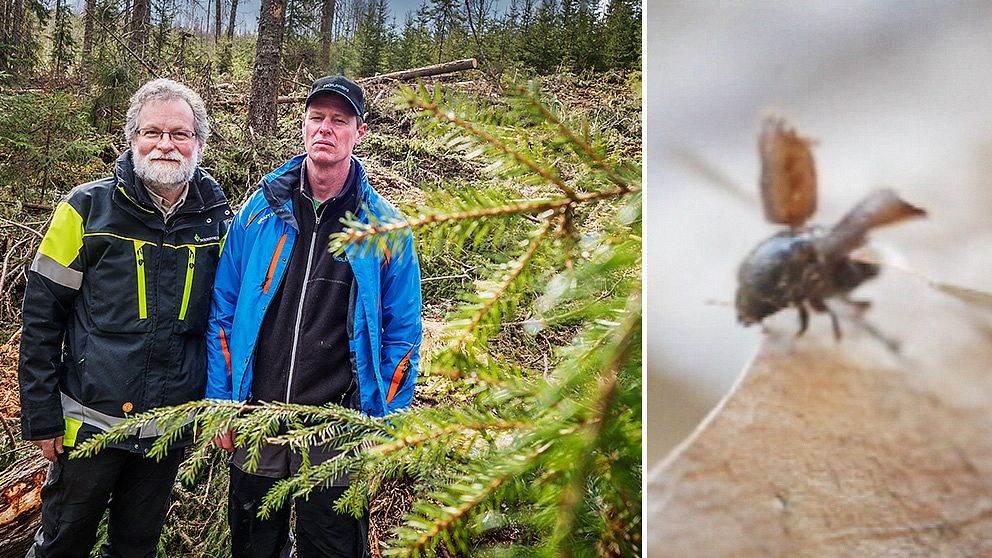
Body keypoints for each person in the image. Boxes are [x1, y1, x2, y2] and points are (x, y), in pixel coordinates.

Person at [205, 75, 422, 557]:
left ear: (359, 132)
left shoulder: (386, 228)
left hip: (338, 425)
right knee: (255, 547)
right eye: (317, 118)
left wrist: (383, 419)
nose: (325, 128)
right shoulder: (257, 213)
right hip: (255, 417)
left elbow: (403, 333)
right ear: (302, 125)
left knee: (334, 547)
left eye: (339, 120)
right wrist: (222, 401)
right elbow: (223, 311)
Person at [17, 78, 231, 557]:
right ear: (132, 137)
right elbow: (41, 320)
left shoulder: (217, 222)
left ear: (199, 143)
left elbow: (227, 321)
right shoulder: (85, 209)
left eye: (180, 133)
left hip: (165, 431)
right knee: (61, 544)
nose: (165, 144)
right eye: (152, 131)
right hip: (89, 425)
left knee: (136, 549)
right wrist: (41, 415)